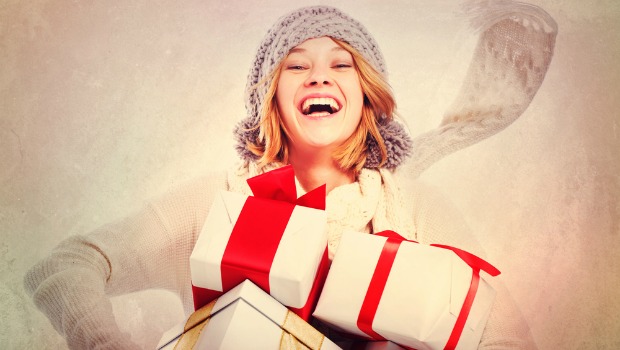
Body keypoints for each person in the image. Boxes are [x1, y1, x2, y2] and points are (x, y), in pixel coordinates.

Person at [24, 3, 556, 349]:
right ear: (271, 98)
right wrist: (103, 343)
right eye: (296, 65)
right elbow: (64, 267)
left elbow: (508, 339)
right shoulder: (217, 200)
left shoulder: (414, 209)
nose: (319, 73)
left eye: (342, 63)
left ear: (367, 95)